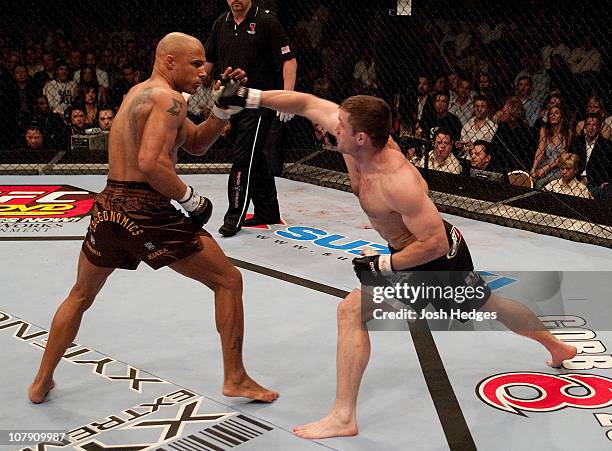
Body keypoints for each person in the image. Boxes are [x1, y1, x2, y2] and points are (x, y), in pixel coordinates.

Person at [216, 82, 577, 439]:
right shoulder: (354, 135)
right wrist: (250, 98)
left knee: (350, 311)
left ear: (360, 138)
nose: (331, 127)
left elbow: (433, 244)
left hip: (430, 259)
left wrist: (385, 266)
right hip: (436, 248)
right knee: (489, 302)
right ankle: (558, 347)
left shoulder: (396, 180)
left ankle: (344, 416)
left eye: (340, 126)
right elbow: (307, 102)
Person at [28, 32, 278, 405]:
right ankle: (236, 377)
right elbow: (151, 163)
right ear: (169, 61)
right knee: (228, 280)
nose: (202, 73)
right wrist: (190, 199)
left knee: (80, 294)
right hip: (145, 208)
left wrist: (222, 110)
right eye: (195, 64)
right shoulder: (169, 99)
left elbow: (193, 143)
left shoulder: (140, 94)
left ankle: (41, 381)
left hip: (109, 205)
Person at [204, 0, 297, 237]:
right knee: (254, 157)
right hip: (231, 103)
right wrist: (189, 86)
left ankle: (233, 217)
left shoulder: (266, 21)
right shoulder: (221, 23)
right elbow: (209, 62)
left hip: (258, 102)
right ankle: (268, 211)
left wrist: (288, 96)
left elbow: (289, 60)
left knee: (243, 159)